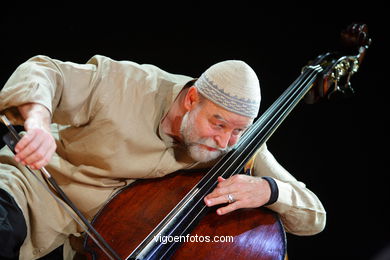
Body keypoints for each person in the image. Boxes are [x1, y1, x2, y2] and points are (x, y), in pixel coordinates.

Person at [0, 55, 326, 259]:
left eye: (238, 131)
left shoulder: (236, 146)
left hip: (107, 237)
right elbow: (45, 72)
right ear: (192, 98)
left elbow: (314, 215)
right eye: (218, 123)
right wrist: (39, 122)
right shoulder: (128, 84)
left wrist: (269, 190)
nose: (226, 140)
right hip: (41, 185)